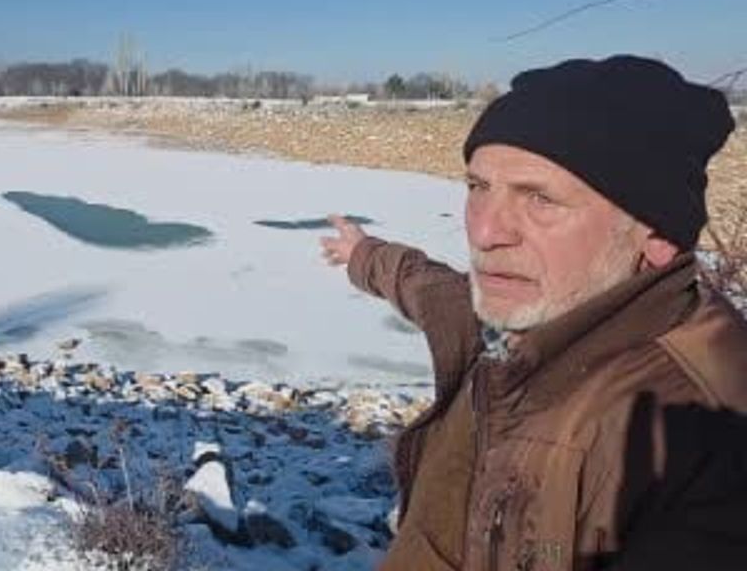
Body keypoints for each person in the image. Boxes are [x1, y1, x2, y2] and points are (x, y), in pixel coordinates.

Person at [320, 55, 747, 570]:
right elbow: (433, 292)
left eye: (539, 199)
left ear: (655, 234)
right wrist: (365, 255)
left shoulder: (699, 440)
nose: (484, 233)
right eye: (478, 188)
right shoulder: (525, 323)